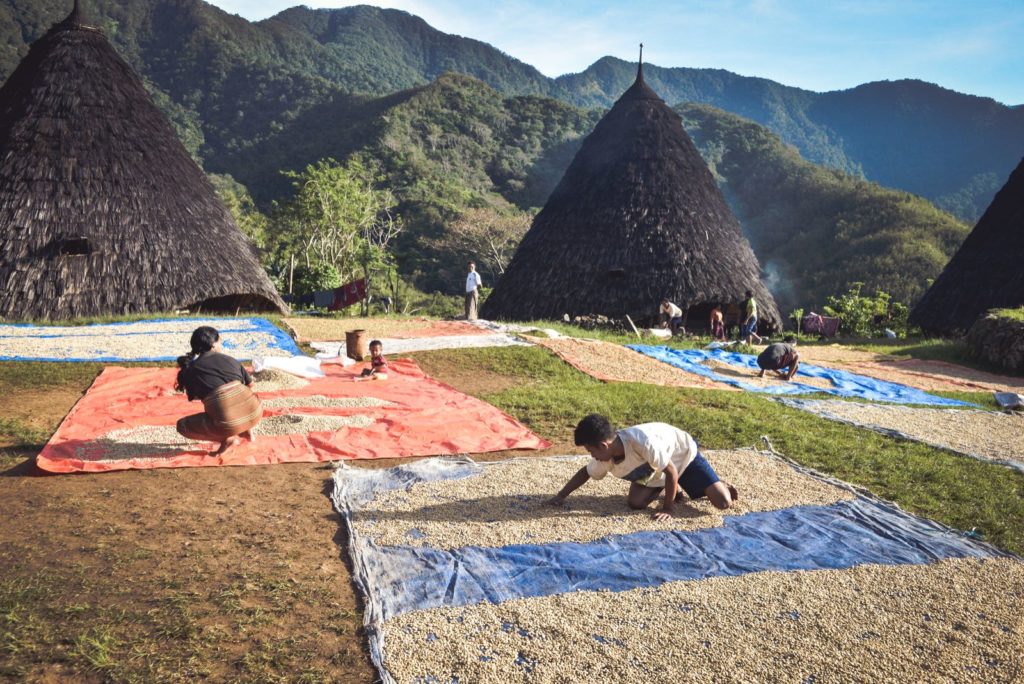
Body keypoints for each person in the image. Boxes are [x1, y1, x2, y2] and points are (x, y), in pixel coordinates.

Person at [546, 414, 738, 520]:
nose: (591, 456)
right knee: (636, 503)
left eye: (591, 450)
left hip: (682, 456)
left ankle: (721, 485)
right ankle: (672, 487)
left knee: (722, 503)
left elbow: (671, 470)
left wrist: (667, 508)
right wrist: (561, 496)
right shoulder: (606, 457)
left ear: (603, 445)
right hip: (659, 469)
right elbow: (585, 473)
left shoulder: (643, 443)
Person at [175, 326, 262, 455]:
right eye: (220, 341)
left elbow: (195, 397)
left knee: (182, 426)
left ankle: (228, 438)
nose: (221, 345)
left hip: (228, 422)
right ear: (213, 344)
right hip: (255, 412)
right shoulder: (231, 360)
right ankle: (246, 429)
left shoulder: (191, 369)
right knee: (236, 398)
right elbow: (250, 385)